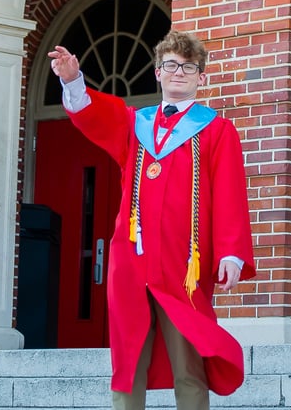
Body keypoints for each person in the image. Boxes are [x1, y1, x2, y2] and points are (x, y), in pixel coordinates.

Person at [48, 30, 255, 410]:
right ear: (158, 73)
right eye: (171, 65)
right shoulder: (134, 124)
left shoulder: (216, 130)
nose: (179, 73)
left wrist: (231, 253)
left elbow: (230, 194)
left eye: (188, 67)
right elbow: (94, 115)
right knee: (128, 362)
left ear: (201, 77)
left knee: (188, 363)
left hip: (183, 265)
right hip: (132, 261)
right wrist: (73, 80)